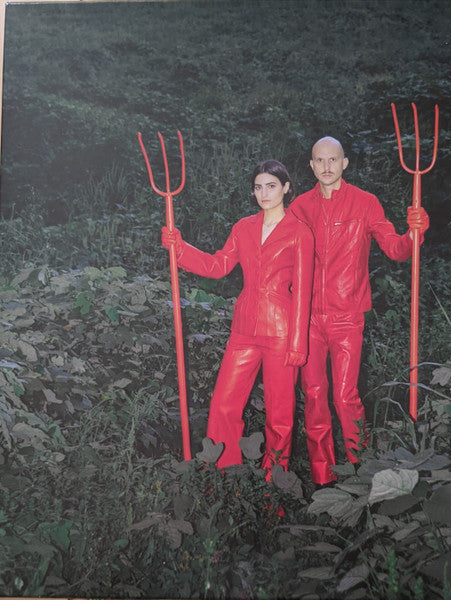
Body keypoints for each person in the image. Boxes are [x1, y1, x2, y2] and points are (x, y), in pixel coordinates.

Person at [288, 136, 430, 486]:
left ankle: (359, 468)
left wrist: (415, 232)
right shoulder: (299, 208)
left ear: (345, 163)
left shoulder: (365, 203)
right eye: (319, 160)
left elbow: (396, 250)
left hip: (348, 315)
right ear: (310, 166)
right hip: (306, 319)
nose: (326, 166)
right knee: (315, 396)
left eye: (333, 160)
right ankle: (322, 474)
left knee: (344, 396)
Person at [162, 160, 314, 478]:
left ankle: (276, 486)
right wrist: (180, 249)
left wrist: (299, 342)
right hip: (244, 329)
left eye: (271, 186)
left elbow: (303, 292)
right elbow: (218, 266)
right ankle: (226, 477)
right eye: (258, 187)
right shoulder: (243, 227)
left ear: (286, 188)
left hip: (282, 332)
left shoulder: (300, 233)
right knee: (223, 406)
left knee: (280, 415)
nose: (264, 193)